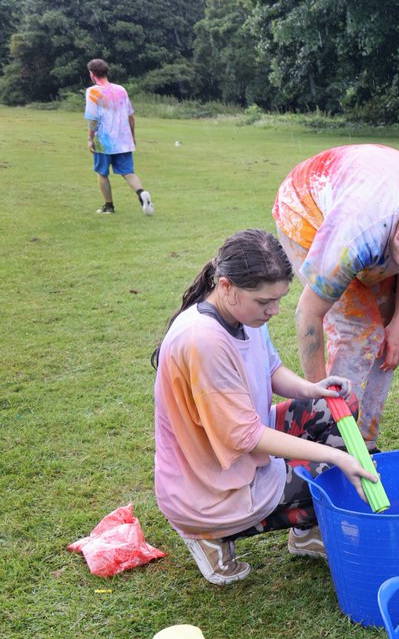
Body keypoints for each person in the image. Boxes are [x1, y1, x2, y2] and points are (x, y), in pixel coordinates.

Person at [152, 229, 378, 585]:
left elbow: (271, 369)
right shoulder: (203, 340)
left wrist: (314, 389)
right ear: (226, 286)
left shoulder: (244, 315)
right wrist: (336, 457)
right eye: (264, 302)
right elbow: (245, 436)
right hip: (209, 488)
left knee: (337, 406)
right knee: (328, 482)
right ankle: (211, 535)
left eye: (278, 300)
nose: (273, 311)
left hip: (237, 445)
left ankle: (305, 532)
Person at [272, 144, 399, 448]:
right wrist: (320, 395)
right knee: (359, 331)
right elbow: (308, 314)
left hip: (379, 192)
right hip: (306, 213)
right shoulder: (353, 235)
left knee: (385, 340)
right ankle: (332, 437)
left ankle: (364, 443)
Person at [84, 59, 154, 216]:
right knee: (128, 172)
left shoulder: (93, 91)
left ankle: (109, 206)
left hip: (104, 140)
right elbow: (131, 116)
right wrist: (132, 136)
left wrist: (90, 138)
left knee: (102, 173)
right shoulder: (121, 90)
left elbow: (93, 119)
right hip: (123, 139)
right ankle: (142, 193)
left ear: (92, 73)